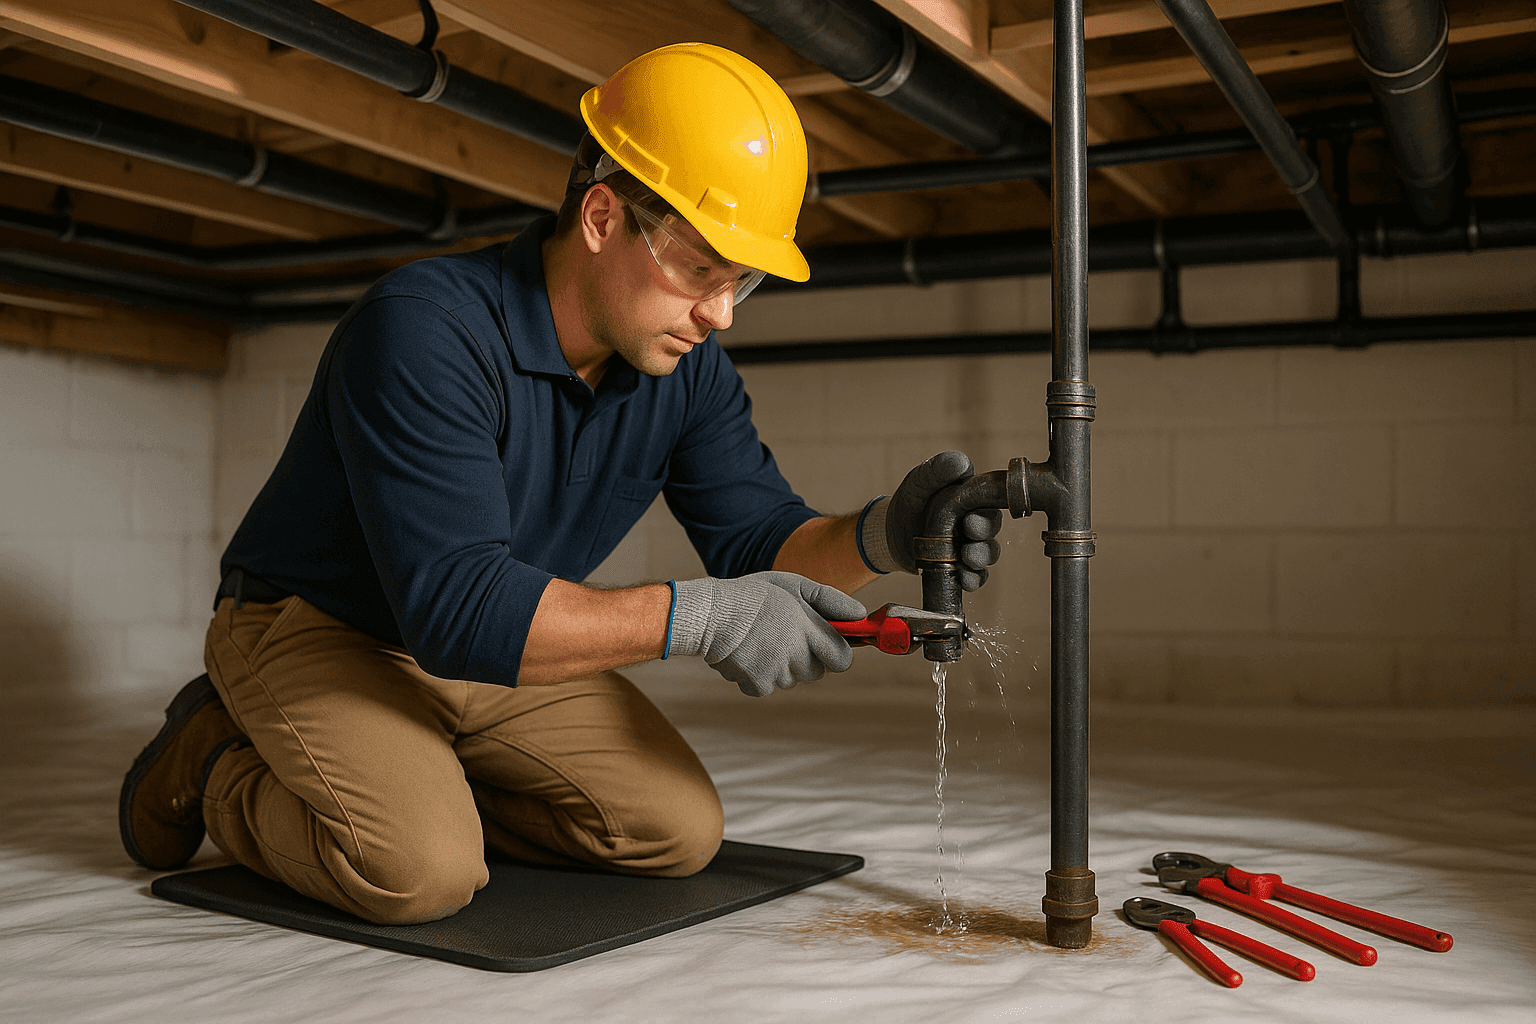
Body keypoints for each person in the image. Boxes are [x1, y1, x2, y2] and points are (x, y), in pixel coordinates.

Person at [118, 42, 1000, 926]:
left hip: (508, 640)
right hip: (320, 623)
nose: (721, 311)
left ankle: (417, 769)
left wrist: (885, 533)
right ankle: (217, 760)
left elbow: (759, 541)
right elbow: (459, 608)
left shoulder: (683, 369)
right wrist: (705, 616)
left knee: (676, 833)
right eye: (701, 269)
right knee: (419, 872)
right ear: (604, 216)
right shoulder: (425, 331)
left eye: (745, 280)